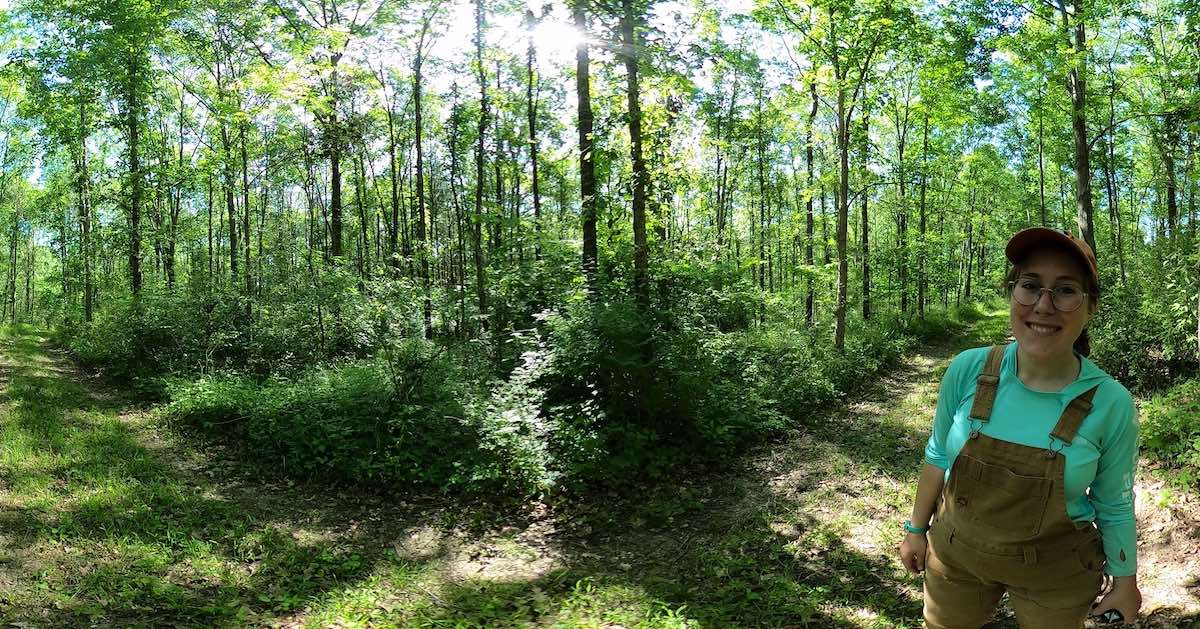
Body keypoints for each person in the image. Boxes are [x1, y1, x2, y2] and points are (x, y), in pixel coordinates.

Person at [897, 227, 1141, 628]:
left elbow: (1114, 501)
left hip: (1057, 573)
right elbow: (938, 455)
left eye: (1065, 290)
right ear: (1013, 292)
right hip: (956, 556)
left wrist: (1124, 581)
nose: (1043, 305)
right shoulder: (968, 370)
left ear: (1090, 306)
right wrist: (915, 530)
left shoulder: (1110, 403)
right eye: (1030, 285)